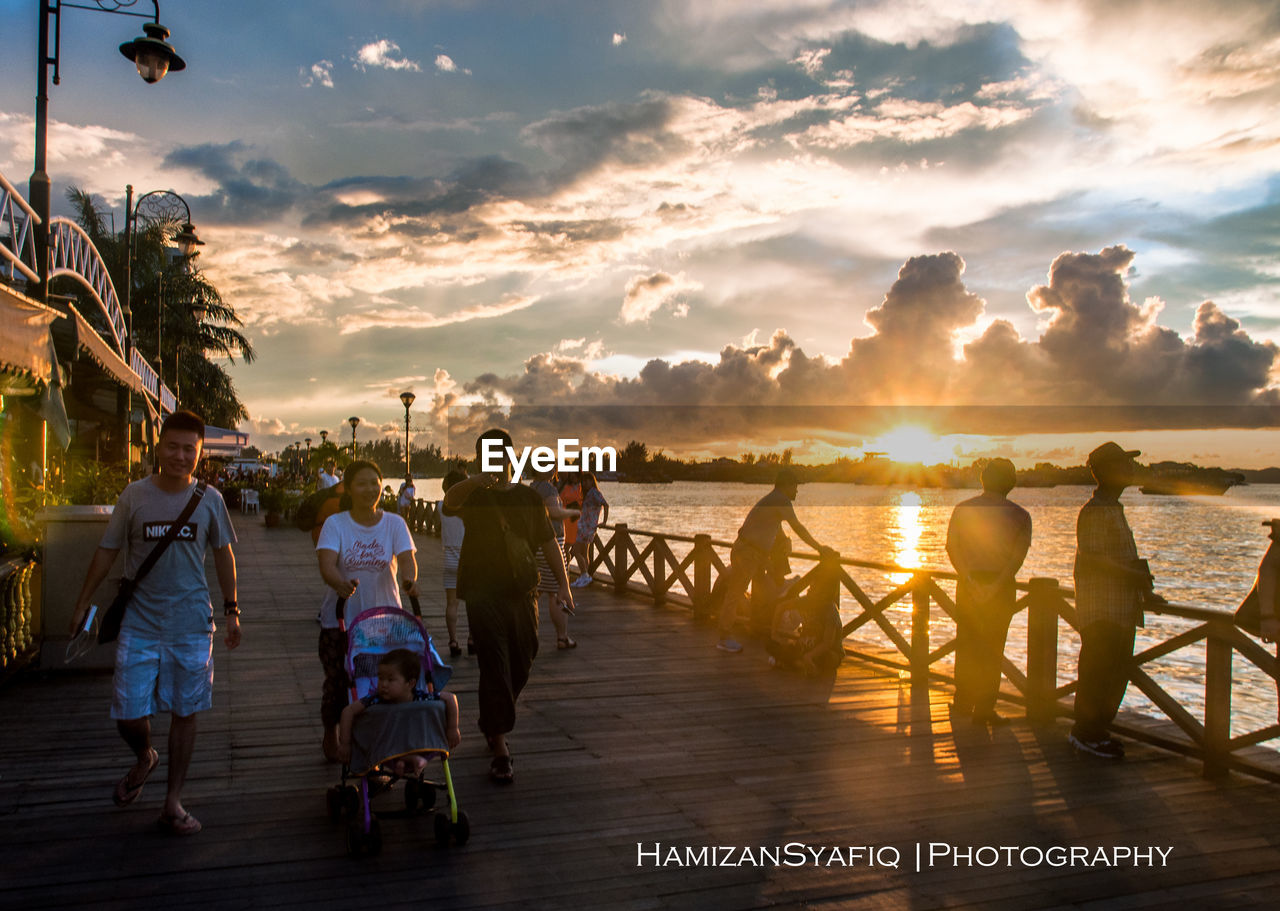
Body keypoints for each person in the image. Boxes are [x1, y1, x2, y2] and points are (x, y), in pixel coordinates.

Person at [69, 409, 239, 837]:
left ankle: (173, 801)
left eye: (190, 450)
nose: (180, 456)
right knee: (128, 712)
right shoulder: (134, 496)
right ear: (159, 447)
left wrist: (232, 608)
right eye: (173, 447)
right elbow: (107, 551)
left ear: (200, 455)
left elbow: (223, 554)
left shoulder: (209, 500)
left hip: (192, 624)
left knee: (187, 711)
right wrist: (82, 603)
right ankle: (145, 755)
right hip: (140, 624)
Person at [442, 428, 575, 784]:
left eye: (502, 455)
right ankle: (499, 744)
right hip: (483, 593)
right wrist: (478, 479)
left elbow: (549, 543)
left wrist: (563, 585)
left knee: (524, 655)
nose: (497, 462)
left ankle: (493, 719)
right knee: (494, 663)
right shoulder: (474, 495)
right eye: (488, 456)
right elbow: (448, 503)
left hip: (522, 591)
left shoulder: (529, 498)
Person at [315, 460, 419, 762]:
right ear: (348, 487)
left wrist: (411, 580)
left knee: (385, 685)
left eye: (375, 482)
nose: (370, 489)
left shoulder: (394, 524)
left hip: (387, 623)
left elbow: (408, 559)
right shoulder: (336, 524)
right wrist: (340, 583)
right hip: (343, 620)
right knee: (338, 683)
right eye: (361, 483)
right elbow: (327, 565)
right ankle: (331, 732)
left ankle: (382, 741)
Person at [1069, 442, 1162, 759]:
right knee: (1098, 674)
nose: (1131, 469)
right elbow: (1094, 559)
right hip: (1102, 610)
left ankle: (1097, 732)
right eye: (1125, 464)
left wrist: (1143, 586)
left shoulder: (1112, 508)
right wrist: (1132, 575)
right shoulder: (1096, 510)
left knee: (1113, 675)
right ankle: (1086, 733)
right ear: (1107, 471)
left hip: (1120, 609)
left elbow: (1120, 557)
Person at [945, 458, 1032, 726]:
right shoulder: (1021, 515)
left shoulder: (962, 509)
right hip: (1001, 584)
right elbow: (1016, 559)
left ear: (983, 480)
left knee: (967, 642)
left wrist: (969, 578)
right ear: (1011, 483)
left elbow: (952, 548)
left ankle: (963, 701)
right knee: (993, 646)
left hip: (969, 582)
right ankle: (984, 708)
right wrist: (996, 585)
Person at [716, 468, 837, 653]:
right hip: (748, 553)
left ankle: (766, 626)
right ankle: (724, 637)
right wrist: (820, 548)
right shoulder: (782, 500)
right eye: (795, 487)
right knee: (735, 593)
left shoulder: (773, 499)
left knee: (767, 586)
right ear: (786, 485)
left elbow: (774, 528)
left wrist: (784, 543)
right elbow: (799, 528)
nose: (797, 491)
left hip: (755, 554)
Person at [336, 648, 461, 776]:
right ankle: (408, 759)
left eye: (390, 680)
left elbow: (451, 698)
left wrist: (453, 728)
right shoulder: (374, 700)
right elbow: (348, 711)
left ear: (410, 683)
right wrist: (345, 743)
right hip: (386, 746)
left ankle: (406, 760)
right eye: (380, 678)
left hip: (417, 741)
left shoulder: (421, 697)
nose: (383, 684)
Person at [529, 463, 581, 648]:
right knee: (558, 592)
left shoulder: (533, 487)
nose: (554, 470)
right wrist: (573, 512)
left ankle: (528, 634)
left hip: (537, 544)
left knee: (537, 590)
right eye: (551, 467)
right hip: (551, 543)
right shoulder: (546, 488)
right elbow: (554, 512)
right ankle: (562, 637)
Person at [766, 556, 844, 677]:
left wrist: (810, 656)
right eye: (811, 587)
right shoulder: (806, 601)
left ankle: (795, 664)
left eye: (814, 588)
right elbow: (781, 607)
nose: (809, 590)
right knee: (770, 644)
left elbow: (827, 643)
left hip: (824, 652)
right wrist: (774, 633)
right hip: (804, 647)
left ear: (825, 593)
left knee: (828, 658)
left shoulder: (830, 611)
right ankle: (800, 664)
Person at [440, 469, 469, 656]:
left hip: (449, 561)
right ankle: (473, 640)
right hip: (469, 560)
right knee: (473, 603)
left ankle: (453, 641)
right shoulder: (470, 508)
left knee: (452, 603)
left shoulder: (440, 507)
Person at [570, 472, 609, 587]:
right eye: (584, 481)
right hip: (586, 526)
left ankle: (584, 576)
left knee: (575, 551)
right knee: (583, 552)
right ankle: (585, 577)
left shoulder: (594, 492)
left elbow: (605, 505)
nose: (586, 483)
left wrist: (605, 521)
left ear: (592, 481)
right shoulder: (589, 493)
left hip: (586, 527)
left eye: (588, 481)